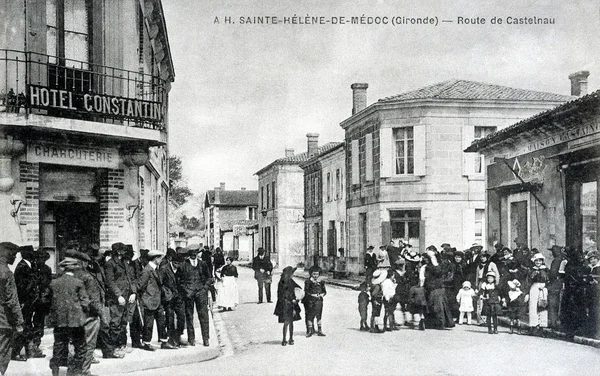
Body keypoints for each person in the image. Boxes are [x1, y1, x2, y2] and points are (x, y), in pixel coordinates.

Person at [49, 256, 90, 376]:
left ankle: (55, 371)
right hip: (76, 321)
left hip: (59, 321)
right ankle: (73, 371)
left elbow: (45, 299)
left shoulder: (54, 283)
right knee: (80, 347)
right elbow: (84, 301)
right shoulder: (78, 283)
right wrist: (86, 314)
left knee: (59, 346)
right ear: (74, 269)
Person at [69, 250, 104, 375]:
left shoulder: (67, 276)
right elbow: (93, 300)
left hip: (71, 316)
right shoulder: (87, 277)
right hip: (88, 316)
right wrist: (100, 313)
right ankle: (84, 371)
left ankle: (73, 370)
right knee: (88, 344)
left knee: (74, 345)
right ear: (82, 262)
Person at [104, 242, 136, 357]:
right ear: (118, 251)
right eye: (123, 250)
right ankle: (112, 348)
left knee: (123, 322)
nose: (125, 252)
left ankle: (121, 345)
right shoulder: (110, 264)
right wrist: (118, 295)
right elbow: (110, 282)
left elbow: (130, 278)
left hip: (127, 296)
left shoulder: (124, 262)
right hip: (117, 299)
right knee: (115, 323)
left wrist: (133, 292)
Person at [179, 244, 212, 347]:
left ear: (197, 254)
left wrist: (204, 289)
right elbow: (179, 281)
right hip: (189, 294)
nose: (193, 256)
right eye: (191, 254)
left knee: (204, 316)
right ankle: (191, 339)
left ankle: (205, 338)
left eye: (195, 254)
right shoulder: (183, 265)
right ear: (189, 255)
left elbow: (209, 278)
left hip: (201, 293)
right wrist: (186, 290)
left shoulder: (203, 264)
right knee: (189, 316)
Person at [138, 250, 170, 351]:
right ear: (156, 258)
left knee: (162, 321)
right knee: (149, 323)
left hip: (157, 300)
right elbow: (140, 286)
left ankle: (164, 341)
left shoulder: (155, 269)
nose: (161, 260)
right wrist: (145, 297)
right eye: (160, 258)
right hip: (149, 300)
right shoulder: (147, 270)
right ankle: (146, 343)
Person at [0, 242, 24, 376]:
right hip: (3, 321)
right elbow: (12, 301)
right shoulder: (7, 273)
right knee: (2, 352)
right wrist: (19, 322)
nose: (15, 258)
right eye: (14, 255)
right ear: (7, 255)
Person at [11, 245, 38, 361]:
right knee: (23, 327)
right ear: (26, 254)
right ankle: (15, 352)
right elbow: (21, 287)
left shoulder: (28, 265)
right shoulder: (22, 266)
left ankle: (28, 350)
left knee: (27, 326)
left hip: (28, 302)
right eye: (31, 252)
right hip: (24, 302)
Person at [159, 248, 187, 348]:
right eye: (178, 264)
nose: (179, 266)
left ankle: (178, 337)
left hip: (178, 298)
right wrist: (166, 293)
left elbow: (183, 281)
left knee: (181, 317)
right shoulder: (164, 269)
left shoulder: (180, 269)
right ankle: (171, 340)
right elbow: (160, 283)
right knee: (169, 320)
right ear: (174, 262)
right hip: (169, 299)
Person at [422, 247, 455, 329]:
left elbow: (437, 272)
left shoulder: (433, 266)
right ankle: (441, 323)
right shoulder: (431, 266)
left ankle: (440, 323)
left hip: (435, 288)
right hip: (435, 288)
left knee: (437, 306)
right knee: (438, 306)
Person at [31, 248, 52, 358]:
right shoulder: (32, 268)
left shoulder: (46, 269)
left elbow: (47, 284)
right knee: (30, 323)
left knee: (39, 323)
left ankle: (36, 345)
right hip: (32, 299)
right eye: (38, 258)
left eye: (43, 258)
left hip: (41, 301)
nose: (40, 260)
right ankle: (31, 346)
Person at [273, 266, 302, 346]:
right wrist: (291, 300)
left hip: (290, 304)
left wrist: (297, 297)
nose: (292, 275)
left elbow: (299, 288)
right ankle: (284, 339)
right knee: (286, 322)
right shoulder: (282, 283)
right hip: (285, 305)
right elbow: (282, 295)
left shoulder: (290, 281)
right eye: (292, 273)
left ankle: (290, 338)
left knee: (291, 322)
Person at [526, 253, 549, 334]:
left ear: (542, 261)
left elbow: (550, 280)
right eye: (536, 261)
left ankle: (542, 327)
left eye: (540, 260)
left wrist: (545, 285)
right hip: (534, 287)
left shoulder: (546, 269)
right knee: (533, 306)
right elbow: (528, 281)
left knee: (542, 306)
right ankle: (533, 326)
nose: (538, 262)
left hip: (543, 288)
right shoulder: (531, 270)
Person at [303, 266, 327, 337]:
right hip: (310, 301)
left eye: (317, 274)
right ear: (311, 274)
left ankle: (320, 330)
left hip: (319, 301)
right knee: (310, 315)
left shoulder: (321, 282)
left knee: (319, 315)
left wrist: (322, 294)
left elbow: (324, 291)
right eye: (314, 274)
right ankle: (310, 331)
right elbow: (306, 291)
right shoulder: (308, 282)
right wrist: (313, 295)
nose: (315, 276)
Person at [547, 245, 566, 329]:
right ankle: (558, 322)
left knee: (553, 303)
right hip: (560, 283)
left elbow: (553, 273)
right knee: (559, 303)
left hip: (554, 284)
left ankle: (553, 322)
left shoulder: (556, 260)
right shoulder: (563, 260)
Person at [584, 250, 600, 338]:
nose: (593, 261)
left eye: (595, 259)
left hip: (597, 293)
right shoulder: (590, 268)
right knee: (591, 311)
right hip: (591, 293)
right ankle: (591, 331)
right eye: (591, 259)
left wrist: (595, 282)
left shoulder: (598, 268)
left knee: (596, 312)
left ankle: (597, 332)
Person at [369, 269, 386, 333]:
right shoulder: (377, 286)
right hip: (377, 300)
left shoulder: (374, 285)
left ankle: (372, 327)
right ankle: (375, 327)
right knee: (376, 314)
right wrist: (375, 300)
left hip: (375, 300)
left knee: (374, 313)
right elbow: (374, 294)